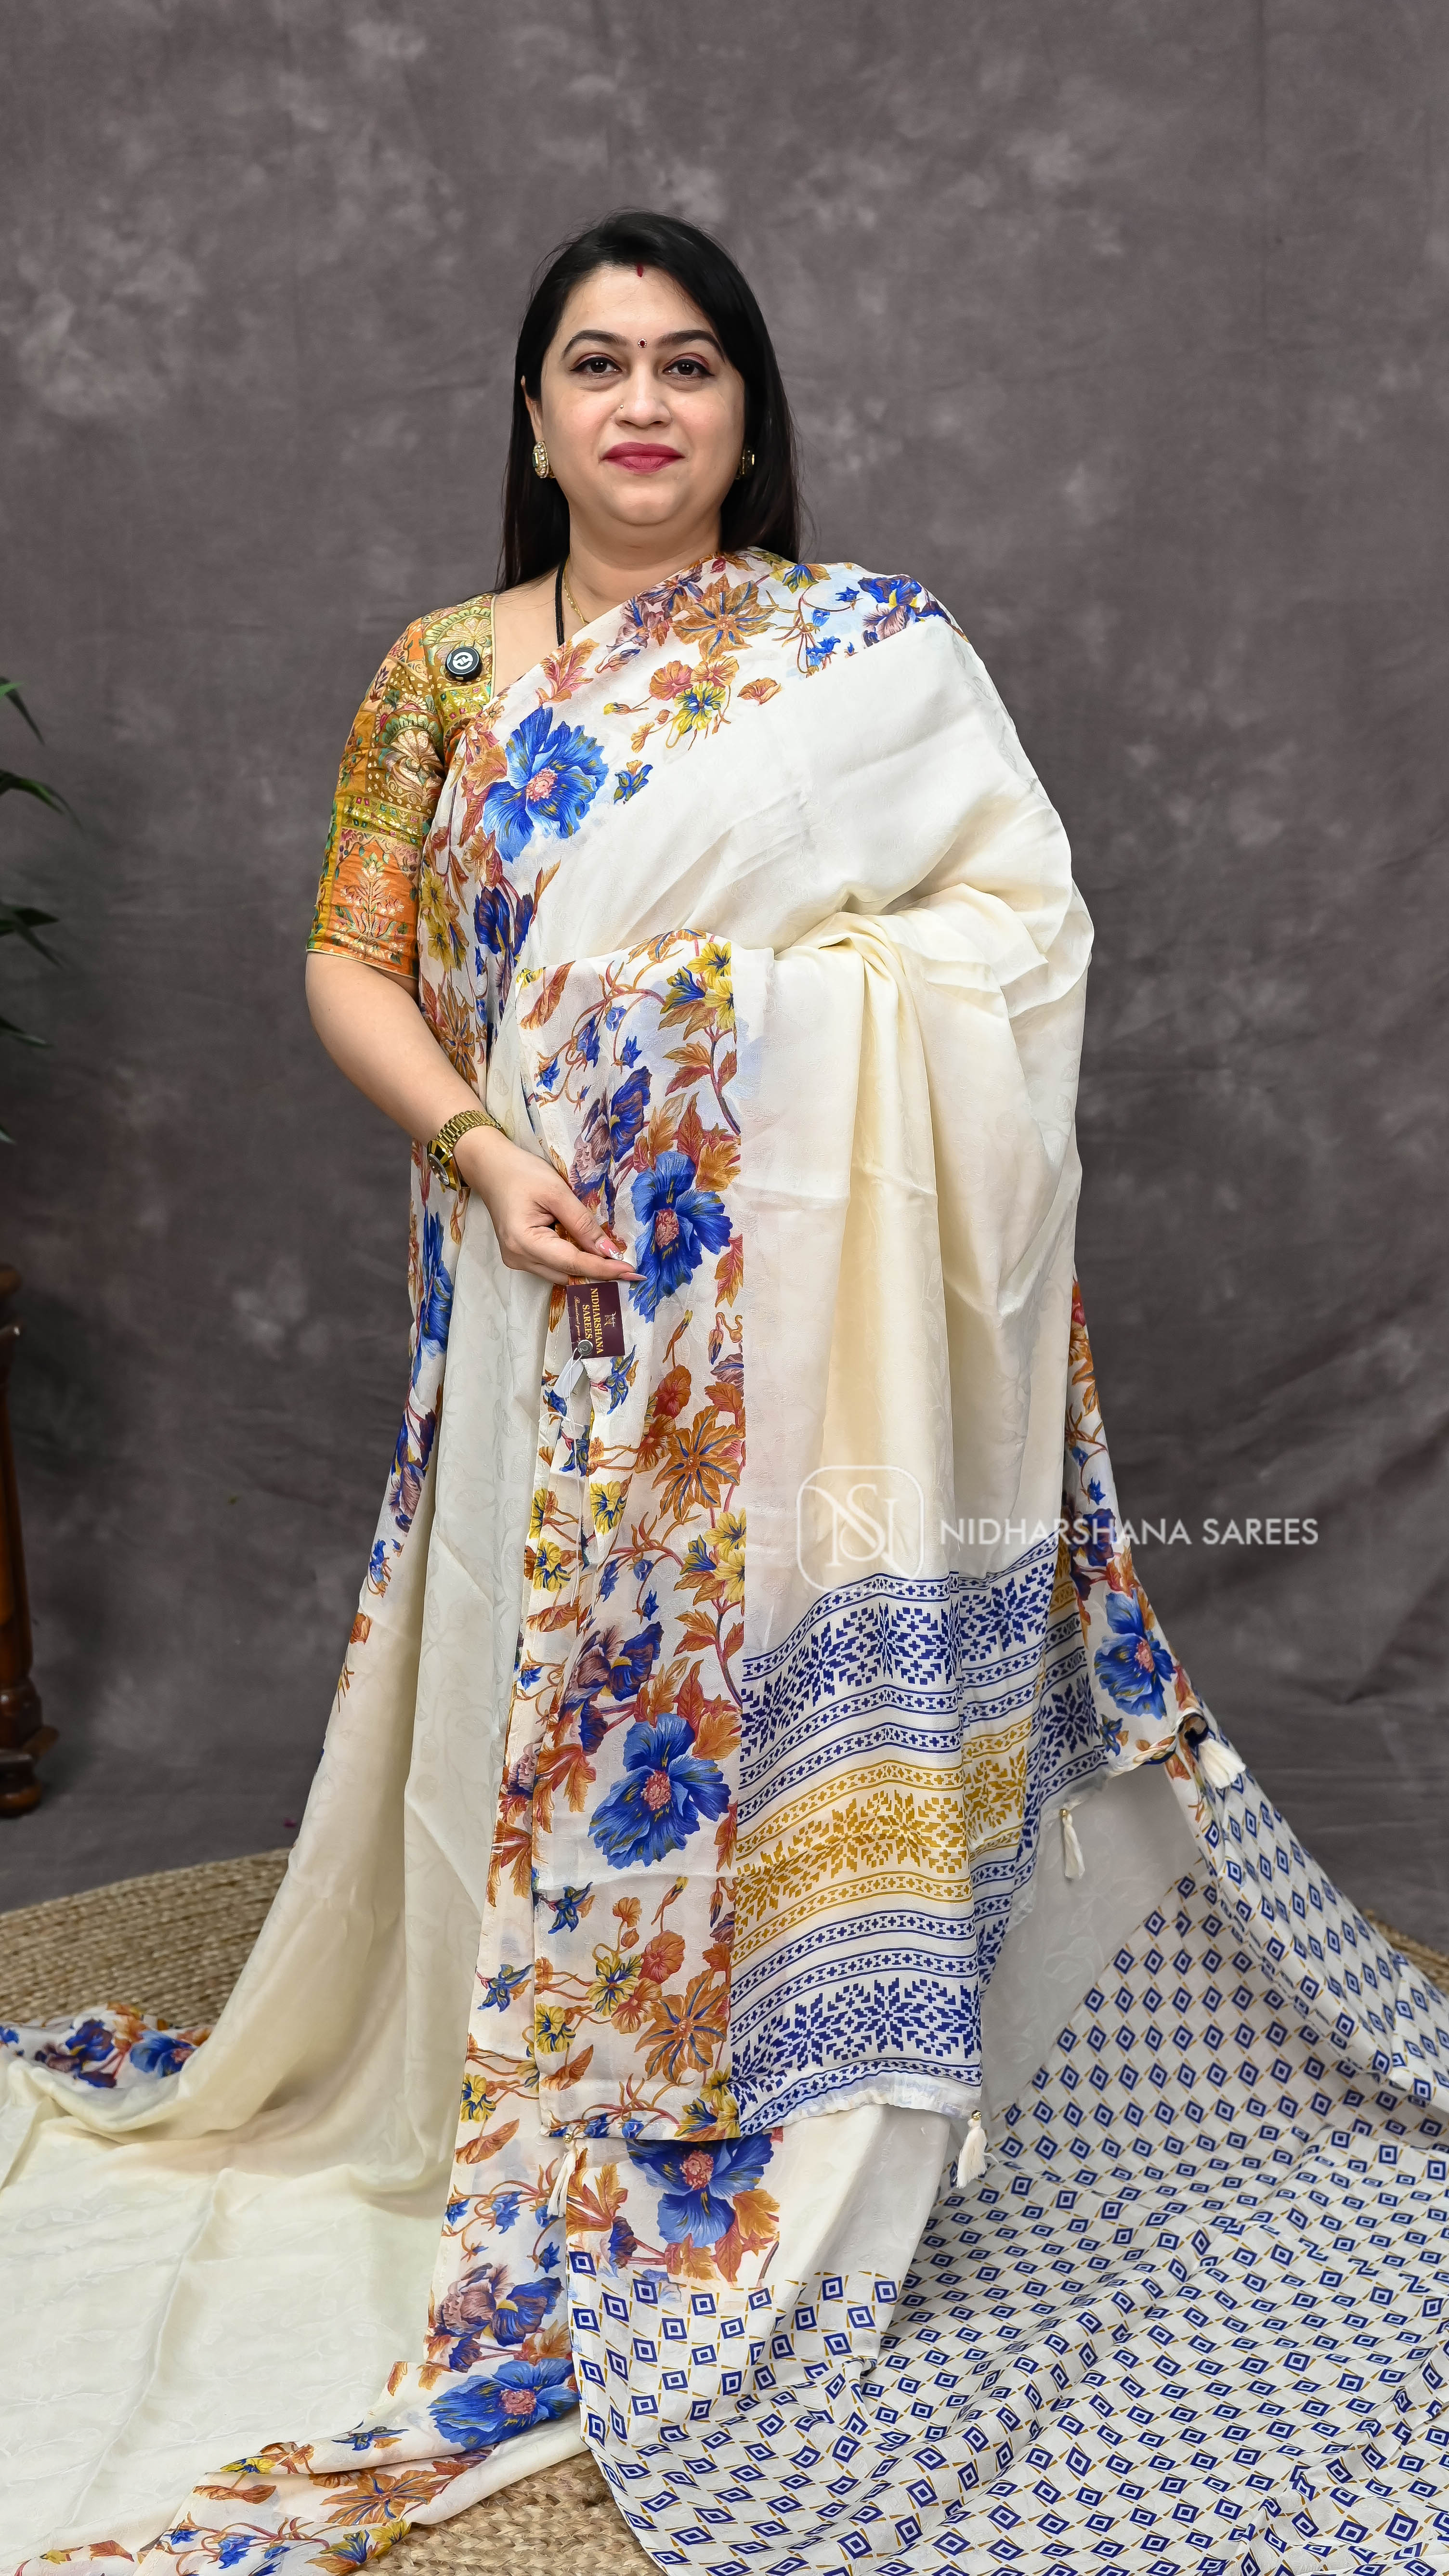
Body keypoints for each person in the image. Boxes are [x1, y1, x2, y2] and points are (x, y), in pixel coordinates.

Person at [5, 209, 1448, 2576]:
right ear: (535, 414)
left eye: (689, 364)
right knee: (548, 1675)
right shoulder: (444, 672)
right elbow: (354, 966)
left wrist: (735, 1032)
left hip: (809, 1323)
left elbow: (1015, 936)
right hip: (543, 1285)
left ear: (749, 412)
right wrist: (486, 1146)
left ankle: (801, 2064)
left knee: (774, 1669)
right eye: (597, 365)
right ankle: (556, 2050)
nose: (643, 405)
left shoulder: (862, 654)